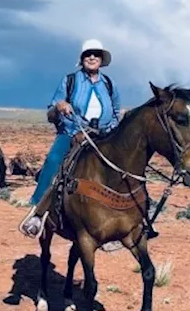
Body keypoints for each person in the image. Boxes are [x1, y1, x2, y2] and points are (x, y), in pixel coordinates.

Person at [18, 38, 121, 239]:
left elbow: (116, 112)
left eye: (96, 54)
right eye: (88, 54)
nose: (92, 57)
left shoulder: (109, 84)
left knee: (126, 166)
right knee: (54, 161)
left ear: (101, 60)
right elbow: (50, 112)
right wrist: (59, 106)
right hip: (73, 133)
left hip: (103, 136)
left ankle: (131, 220)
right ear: (82, 59)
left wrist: (113, 134)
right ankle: (37, 213)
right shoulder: (70, 81)